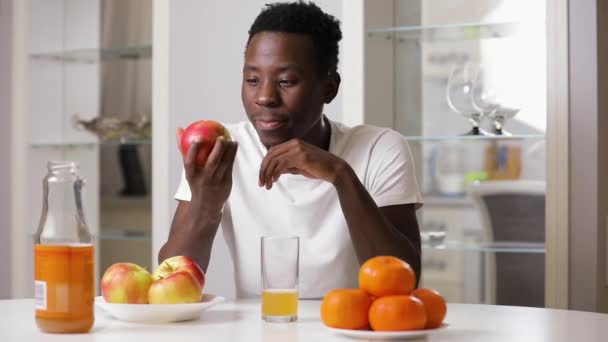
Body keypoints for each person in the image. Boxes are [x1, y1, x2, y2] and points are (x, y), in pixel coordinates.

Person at [159, 1, 423, 299]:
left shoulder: (379, 149)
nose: (265, 97)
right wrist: (204, 205)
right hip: (261, 329)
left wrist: (340, 175)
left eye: (285, 81)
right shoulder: (223, 149)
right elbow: (172, 284)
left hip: (350, 329)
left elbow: (403, 280)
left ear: (329, 88)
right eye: (252, 80)